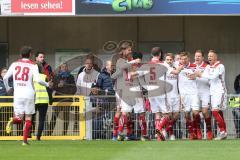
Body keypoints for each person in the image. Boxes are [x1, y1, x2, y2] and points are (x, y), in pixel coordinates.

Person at [3, 46, 51, 145]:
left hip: (18, 94)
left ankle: (13, 120)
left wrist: (8, 89)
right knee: (28, 117)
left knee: (19, 118)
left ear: (20, 55)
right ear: (30, 55)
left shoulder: (14, 64)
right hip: (29, 94)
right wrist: (47, 84)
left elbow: (5, 78)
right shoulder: (33, 65)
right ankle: (25, 141)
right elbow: (38, 80)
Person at [193, 50, 227, 140]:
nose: (209, 58)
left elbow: (212, 76)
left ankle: (223, 132)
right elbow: (204, 75)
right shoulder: (209, 67)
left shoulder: (220, 66)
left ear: (216, 57)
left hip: (220, 91)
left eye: (211, 56)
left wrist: (200, 74)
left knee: (215, 111)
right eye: (208, 56)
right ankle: (224, 132)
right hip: (212, 92)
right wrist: (196, 75)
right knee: (218, 112)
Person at [111, 42, 141, 141]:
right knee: (120, 111)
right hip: (120, 89)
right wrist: (133, 62)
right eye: (129, 50)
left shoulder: (129, 60)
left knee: (127, 112)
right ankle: (116, 134)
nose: (130, 52)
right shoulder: (120, 60)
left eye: (130, 50)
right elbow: (121, 68)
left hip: (127, 88)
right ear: (123, 50)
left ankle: (128, 133)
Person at [49, 63, 76, 136]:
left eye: (65, 66)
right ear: (60, 68)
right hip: (58, 100)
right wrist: (58, 85)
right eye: (62, 67)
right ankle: (48, 134)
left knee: (66, 118)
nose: (64, 68)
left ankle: (64, 134)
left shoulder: (71, 77)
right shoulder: (56, 77)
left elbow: (74, 88)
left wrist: (68, 94)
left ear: (67, 68)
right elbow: (52, 87)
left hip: (67, 100)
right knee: (54, 117)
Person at [178, 52, 200, 140]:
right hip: (184, 94)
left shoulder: (194, 66)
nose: (183, 60)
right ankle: (191, 132)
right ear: (180, 59)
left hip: (194, 93)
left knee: (196, 113)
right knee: (186, 114)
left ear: (188, 59)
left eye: (185, 59)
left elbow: (199, 75)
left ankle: (197, 130)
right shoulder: (177, 66)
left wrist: (195, 76)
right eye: (182, 59)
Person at [194, 50, 213, 140]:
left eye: (199, 56)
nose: (197, 58)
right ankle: (198, 131)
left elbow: (209, 79)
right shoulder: (192, 66)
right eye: (196, 56)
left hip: (205, 91)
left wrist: (199, 75)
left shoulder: (207, 66)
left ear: (202, 58)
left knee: (205, 112)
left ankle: (209, 130)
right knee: (195, 113)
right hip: (195, 92)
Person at [33, 63, 49, 140]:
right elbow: (49, 89)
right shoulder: (44, 76)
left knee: (31, 118)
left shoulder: (32, 77)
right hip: (44, 100)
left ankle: (29, 133)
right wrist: (51, 99)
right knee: (41, 119)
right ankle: (38, 137)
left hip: (34, 100)